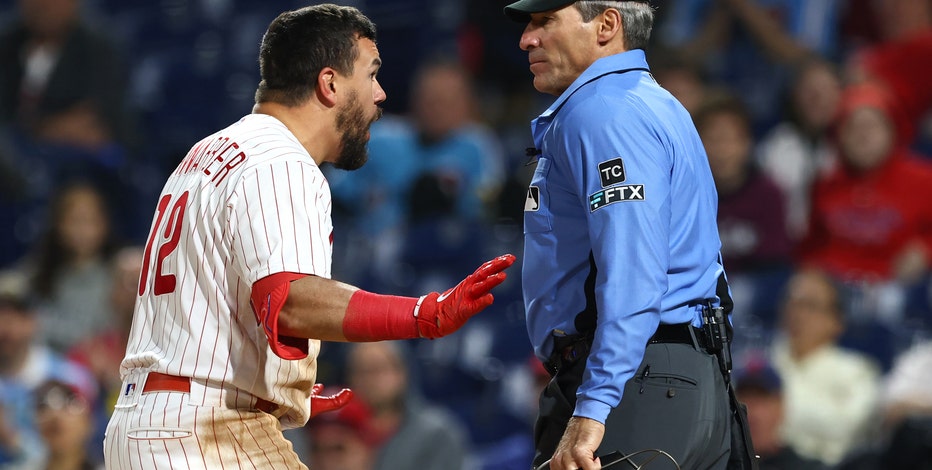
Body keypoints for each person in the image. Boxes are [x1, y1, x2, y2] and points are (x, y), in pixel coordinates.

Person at [101, 4, 515, 470]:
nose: (381, 94)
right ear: (330, 83)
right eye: (372, 74)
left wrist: (270, 384)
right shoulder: (282, 161)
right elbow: (291, 300)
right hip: (201, 432)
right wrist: (422, 314)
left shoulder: (209, 151)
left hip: (152, 421)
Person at [503, 1, 747, 469]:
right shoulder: (651, 100)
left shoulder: (603, 111)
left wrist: (594, 406)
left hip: (637, 381)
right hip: (681, 376)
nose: (526, 39)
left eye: (544, 21)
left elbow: (634, 271)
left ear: (606, 25)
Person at [770, 268, 881, 466]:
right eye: (792, 302)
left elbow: (848, 427)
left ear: (836, 322)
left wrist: (772, 411)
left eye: (810, 305)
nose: (797, 313)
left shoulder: (856, 371)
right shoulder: (761, 363)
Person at [345, 341, 471, 470]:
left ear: (401, 373)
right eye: (360, 371)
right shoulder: (338, 433)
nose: (368, 380)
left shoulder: (437, 433)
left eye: (377, 369)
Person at [733, 356, 827, 470]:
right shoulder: (718, 463)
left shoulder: (808, 467)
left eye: (761, 401)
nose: (751, 413)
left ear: (780, 408)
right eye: (744, 399)